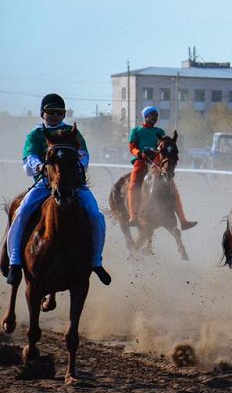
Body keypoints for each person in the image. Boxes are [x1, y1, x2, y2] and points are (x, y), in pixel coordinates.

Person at [5, 93, 111, 286]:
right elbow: (29, 157)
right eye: (50, 112)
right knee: (21, 212)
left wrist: (75, 164)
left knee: (96, 216)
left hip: (73, 184)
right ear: (42, 113)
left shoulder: (72, 132)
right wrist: (40, 166)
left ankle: (96, 261)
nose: (55, 116)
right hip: (45, 184)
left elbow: (84, 154)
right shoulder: (36, 134)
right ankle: (14, 262)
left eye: (59, 112)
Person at [126, 105, 197, 229]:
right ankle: (133, 217)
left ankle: (183, 221)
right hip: (141, 162)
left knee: (173, 189)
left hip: (157, 163)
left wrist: (158, 151)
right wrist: (139, 153)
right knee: (132, 186)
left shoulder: (159, 131)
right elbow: (132, 148)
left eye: (156, 116)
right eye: (152, 115)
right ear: (145, 116)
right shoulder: (136, 131)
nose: (154, 118)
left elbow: (164, 145)